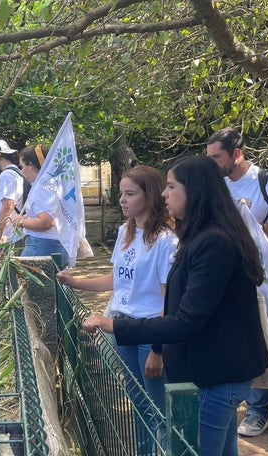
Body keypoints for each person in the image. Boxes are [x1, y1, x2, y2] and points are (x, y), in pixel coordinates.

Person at [82, 155, 268, 456]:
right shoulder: (198, 237)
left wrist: (112, 324)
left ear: (194, 191)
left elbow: (187, 320)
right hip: (210, 372)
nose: (164, 194)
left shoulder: (214, 243)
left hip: (217, 375)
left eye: (171, 186)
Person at [57, 165, 177, 456]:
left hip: (149, 332)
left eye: (130, 194)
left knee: (156, 407)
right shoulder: (126, 231)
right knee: (137, 402)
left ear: (150, 196)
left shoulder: (166, 242)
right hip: (122, 327)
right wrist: (76, 283)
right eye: (121, 193)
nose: (122, 199)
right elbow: (118, 280)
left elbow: (168, 299)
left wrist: (158, 349)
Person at [206, 127, 268, 437]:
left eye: (217, 157)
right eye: (210, 157)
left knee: (261, 339)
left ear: (237, 154)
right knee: (229, 335)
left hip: (259, 277)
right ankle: (230, 399)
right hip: (221, 274)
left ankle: (258, 410)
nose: (212, 163)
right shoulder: (214, 184)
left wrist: (252, 226)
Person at [8, 143, 69, 269]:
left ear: (30, 165)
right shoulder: (54, 183)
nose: (21, 170)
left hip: (42, 245)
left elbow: (46, 222)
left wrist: (19, 222)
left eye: (22, 166)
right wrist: (27, 217)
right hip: (58, 243)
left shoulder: (41, 188)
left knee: (23, 282)